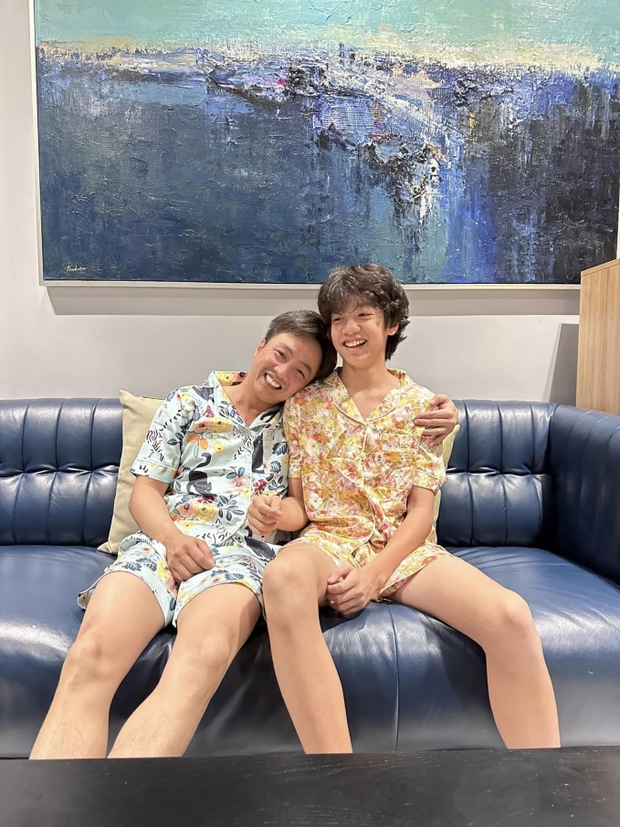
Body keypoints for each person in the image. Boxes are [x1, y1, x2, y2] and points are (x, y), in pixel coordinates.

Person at [30, 308, 456, 760]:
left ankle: (121, 797)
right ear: (260, 347)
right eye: (280, 355)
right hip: (160, 545)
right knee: (89, 657)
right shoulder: (188, 402)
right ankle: (51, 799)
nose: (283, 374)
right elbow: (145, 494)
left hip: (242, 558)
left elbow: (306, 504)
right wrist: (173, 541)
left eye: (301, 372)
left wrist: (277, 515)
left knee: (203, 658)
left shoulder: (303, 419)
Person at [250, 265, 560, 754]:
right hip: (328, 541)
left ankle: (546, 783)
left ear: (391, 324)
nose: (349, 329)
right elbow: (302, 506)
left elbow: (420, 514)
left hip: (403, 550)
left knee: (512, 616)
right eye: (338, 319)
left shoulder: (424, 408)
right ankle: (337, 775)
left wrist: (372, 576)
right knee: (282, 577)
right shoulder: (305, 403)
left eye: (364, 315)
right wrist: (274, 514)